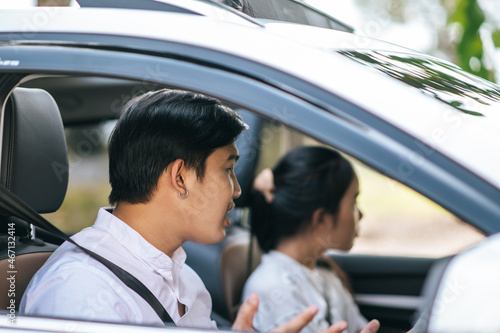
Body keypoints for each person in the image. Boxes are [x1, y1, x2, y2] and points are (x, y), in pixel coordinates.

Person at [20, 89, 373, 333]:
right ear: (180, 177)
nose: (237, 190)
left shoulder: (184, 279)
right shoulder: (79, 295)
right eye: (228, 169)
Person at [242, 146, 380, 333]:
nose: (360, 214)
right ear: (321, 219)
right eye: (354, 202)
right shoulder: (275, 289)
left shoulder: (325, 276)